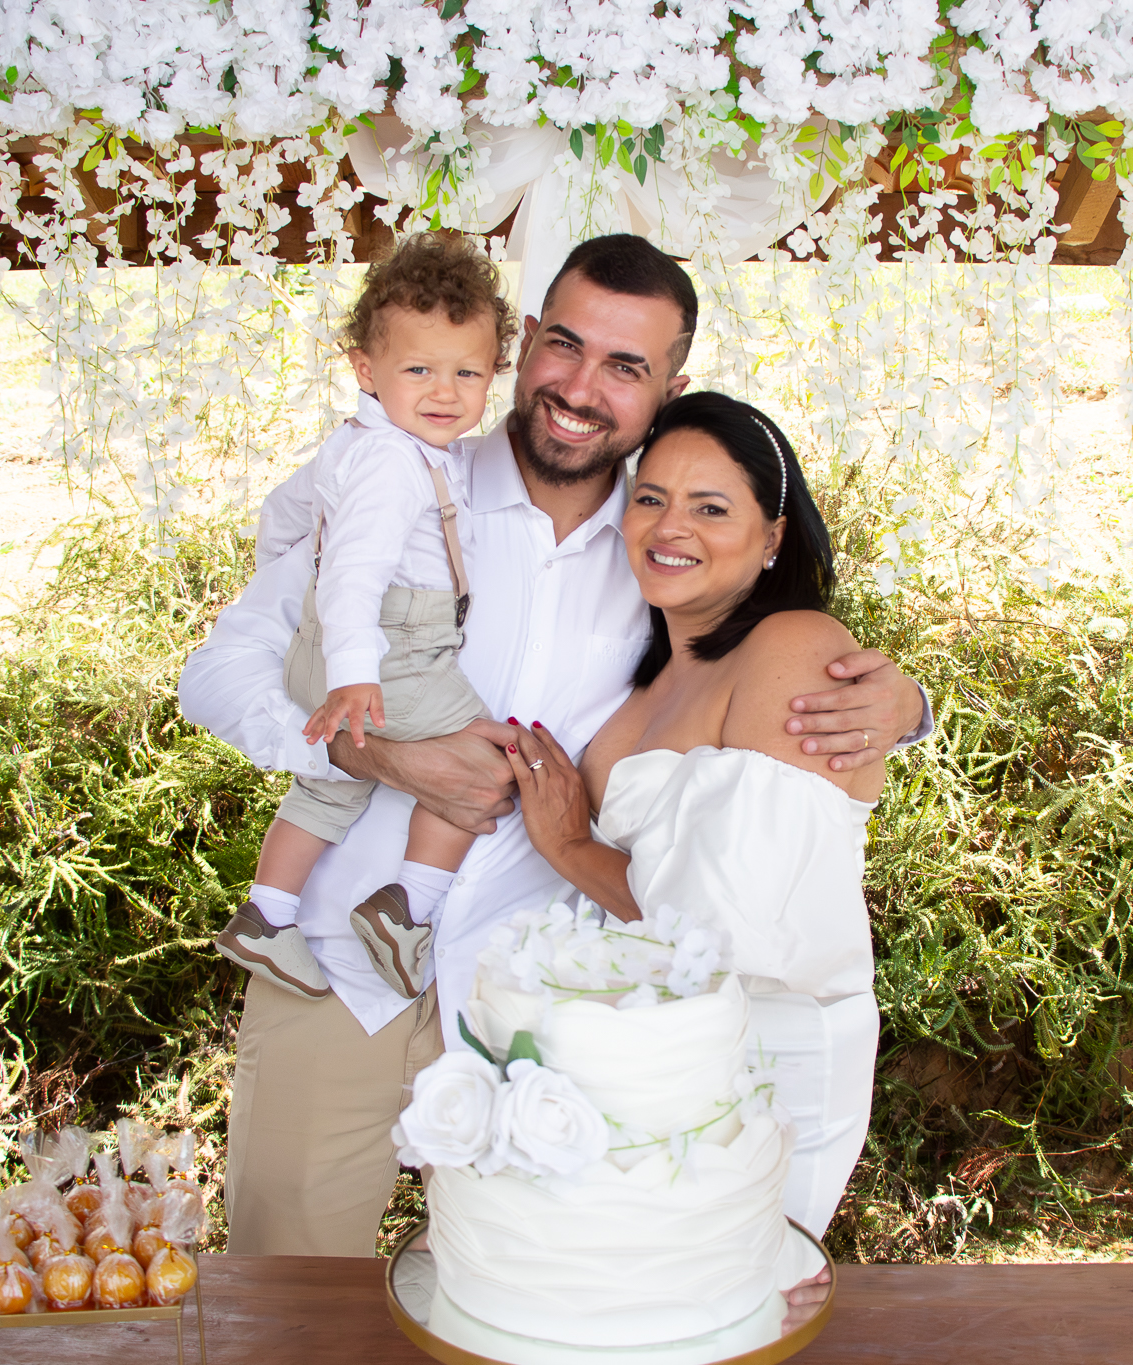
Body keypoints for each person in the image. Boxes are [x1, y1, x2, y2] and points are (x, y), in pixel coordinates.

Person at [178, 233, 928, 1258]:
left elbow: (757, 680)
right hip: (339, 956)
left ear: (670, 385)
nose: (581, 386)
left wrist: (905, 706)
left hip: (545, 998)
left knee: (525, 1299)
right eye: (564, 345)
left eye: (625, 366)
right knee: (289, 1285)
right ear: (522, 343)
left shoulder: (661, 540)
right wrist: (374, 757)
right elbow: (218, 676)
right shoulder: (396, 480)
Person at [500, 390, 880, 1241]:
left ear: (774, 534)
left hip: (762, 1045)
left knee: (721, 1300)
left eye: (711, 507)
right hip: (648, 1039)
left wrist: (566, 844)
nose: (671, 528)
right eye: (651, 498)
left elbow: (720, 922)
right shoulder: (652, 672)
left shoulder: (792, 647)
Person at [211, 234, 514, 1003]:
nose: (444, 391)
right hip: (385, 650)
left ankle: (269, 913)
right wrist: (352, 673)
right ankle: (407, 909)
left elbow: (283, 513)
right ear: (365, 369)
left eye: (467, 372)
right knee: (488, 759)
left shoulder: (363, 444)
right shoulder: (391, 462)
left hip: (333, 643)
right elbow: (354, 575)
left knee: (330, 787)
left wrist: (297, 593)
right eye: (419, 369)